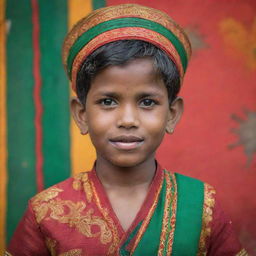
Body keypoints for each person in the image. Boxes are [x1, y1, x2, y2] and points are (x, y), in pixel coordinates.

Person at [6, 4, 247, 256]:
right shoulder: (46, 211)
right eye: (108, 101)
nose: (128, 120)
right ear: (81, 114)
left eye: (147, 102)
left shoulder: (201, 207)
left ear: (172, 114)